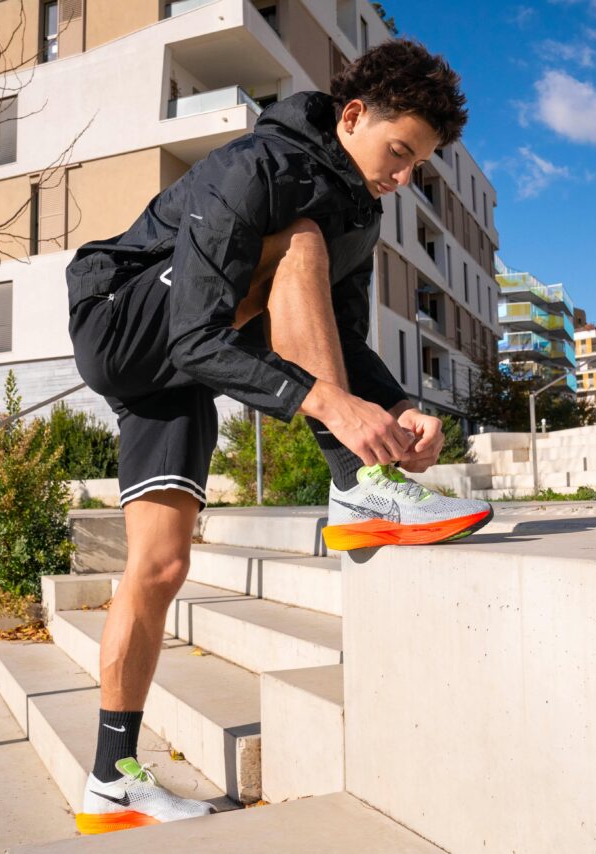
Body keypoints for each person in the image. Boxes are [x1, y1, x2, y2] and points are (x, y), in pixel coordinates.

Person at [64, 37, 491, 835]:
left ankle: (111, 783)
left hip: (175, 373)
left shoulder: (360, 216)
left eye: (419, 166)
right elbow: (196, 335)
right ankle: (356, 485)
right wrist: (335, 411)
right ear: (353, 116)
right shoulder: (255, 167)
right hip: (123, 320)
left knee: (160, 565)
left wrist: (395, 406)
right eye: (399, 153)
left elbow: (343, 342)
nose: (403, 178)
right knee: (299, 238)